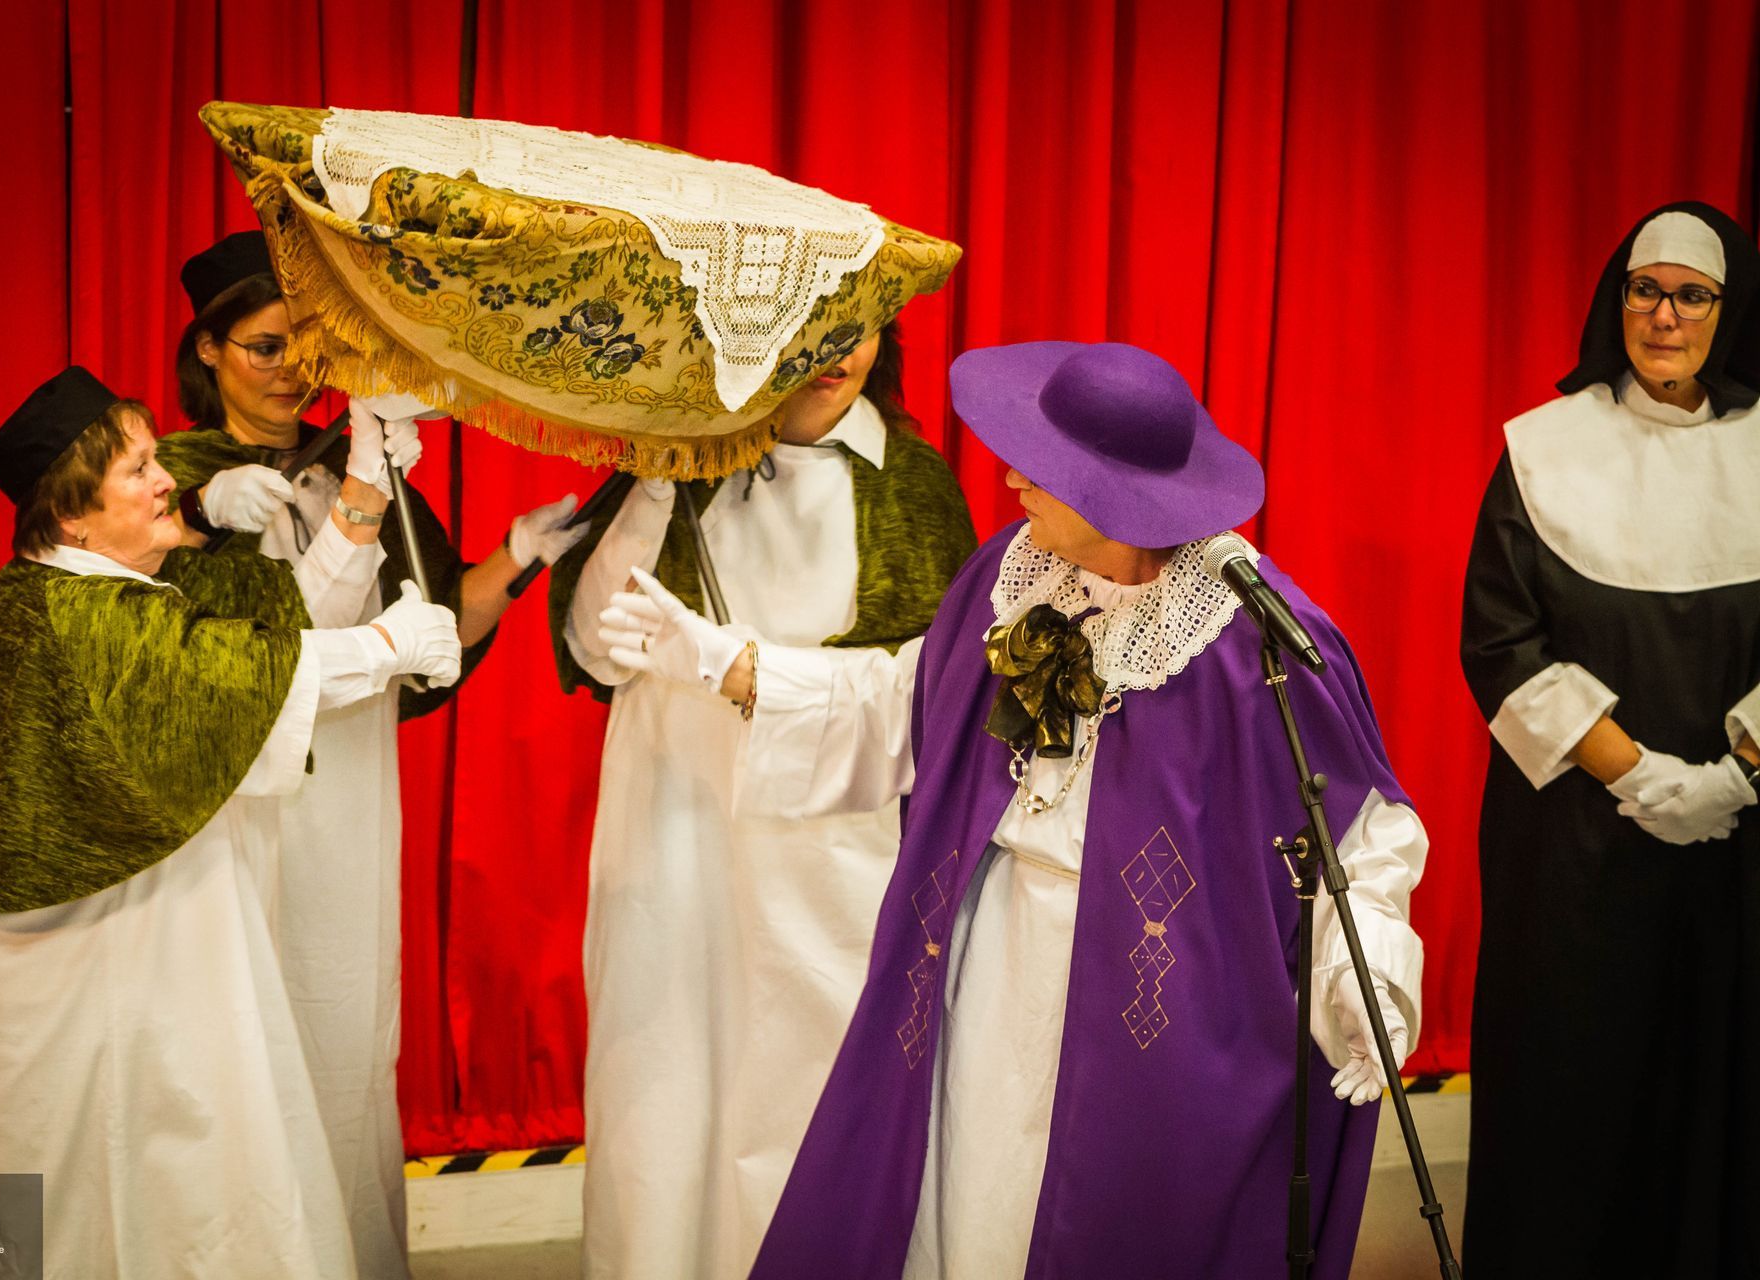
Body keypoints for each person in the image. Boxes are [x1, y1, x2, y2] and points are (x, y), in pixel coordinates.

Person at [602, 342, 1428, 1278]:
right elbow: (910, 704)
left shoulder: (1255, 641)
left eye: (1042, 468)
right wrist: (729, 664)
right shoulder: (1015, 572)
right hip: (984, 965)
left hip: (1150, 1004)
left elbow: (1359, 835)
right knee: (970, 1205)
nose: (1009, 479)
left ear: (1117, 498)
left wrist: (1369, 975)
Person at [0, 366, 462, 1279]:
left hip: (137, 953)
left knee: (179, 1196)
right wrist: (387, 645)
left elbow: (280, 623)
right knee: (104, 1211)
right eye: (139, 471)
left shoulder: (110, 584)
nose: (165, 483)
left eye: (158, 461)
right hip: (71, 973)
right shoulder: (66, 606)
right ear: (70, 518)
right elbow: (235, 679)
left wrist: (366, 478)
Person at [159, 230, 585, 1278]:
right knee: (252, 1039)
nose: (290, 372)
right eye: (264, 348)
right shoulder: (178, 488)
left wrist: (518, 555)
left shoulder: (350, 464)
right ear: (207, 348)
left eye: (307, 349)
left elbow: (433, 626)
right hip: (247, 808)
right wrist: (355, 484)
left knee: (349, 1033)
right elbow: (277, 661)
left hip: (352, 803)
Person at [549, 322, 978, 1279]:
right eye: (814, 326)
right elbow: (594, 646)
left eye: (860, 327)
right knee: (664, 1068)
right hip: (673, 810)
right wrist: (657, 480)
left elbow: (933, 691)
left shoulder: (911, 480)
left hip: (827, 825)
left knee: (810, 1065)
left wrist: (752, 673)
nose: (839, 352)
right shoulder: (673, 468)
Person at [1460, 201, 1760, 1275]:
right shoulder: (1544, 450)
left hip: (1742, 840)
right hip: (1575, 845)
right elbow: (1501, 644)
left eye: (1692, 295)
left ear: (1730, 311)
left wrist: (1733, 776)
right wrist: (1644, 778)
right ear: (1615, 301)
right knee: (1571, 1080)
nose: (1664, 316)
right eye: (1645, 290)